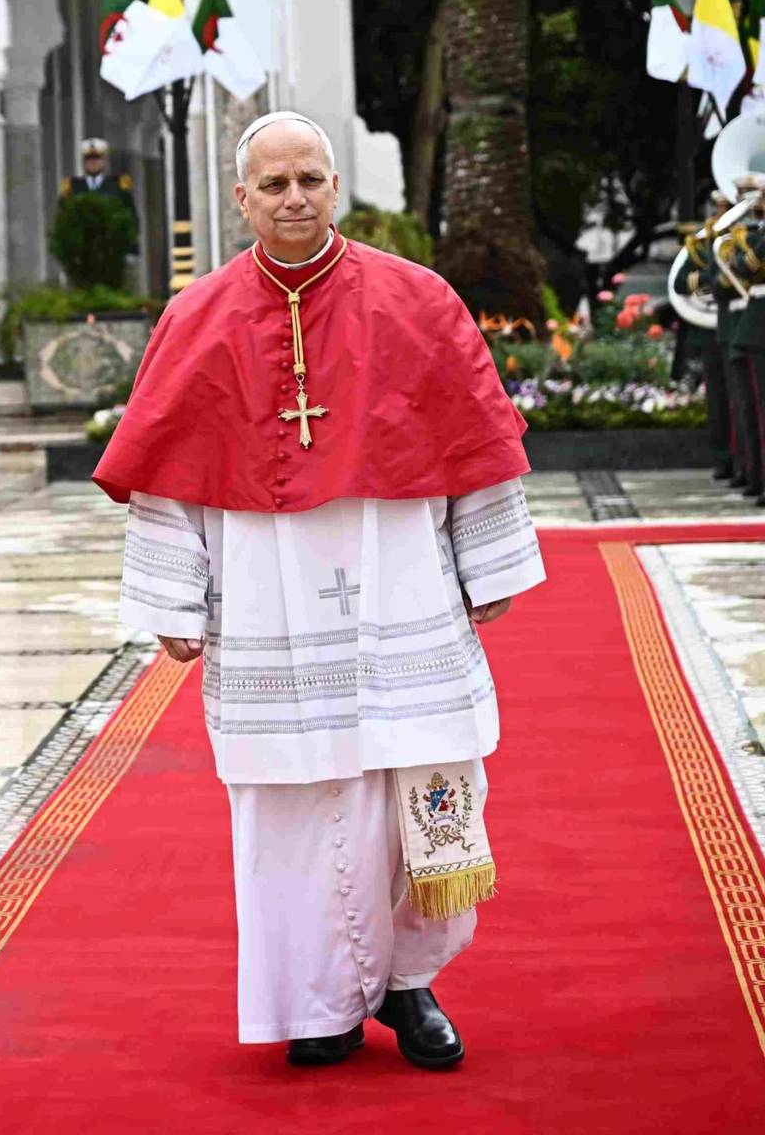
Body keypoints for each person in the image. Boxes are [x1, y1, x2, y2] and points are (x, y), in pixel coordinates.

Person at [94, 111, 544, 1069]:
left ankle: (413, 984)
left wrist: (489, 562)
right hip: (268, 594)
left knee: (423, 772)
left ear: (334, 187)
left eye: (310, 180)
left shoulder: (417, 299)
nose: (294, 198)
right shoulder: (199, 316)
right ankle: (319, 1000)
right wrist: (176, 602)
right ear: (242, 198)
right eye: (274, 184)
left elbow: (475, 438)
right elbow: (169, 475)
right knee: (294, 805)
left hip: (403, 582)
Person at [58, 136, 135, 207]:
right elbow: (62, 217)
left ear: (104, 161)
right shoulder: (72, 187)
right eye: (89, 158)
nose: (93, 162)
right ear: (84, 162)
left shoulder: (118, 186)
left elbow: (130, 217)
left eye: (97, 158)